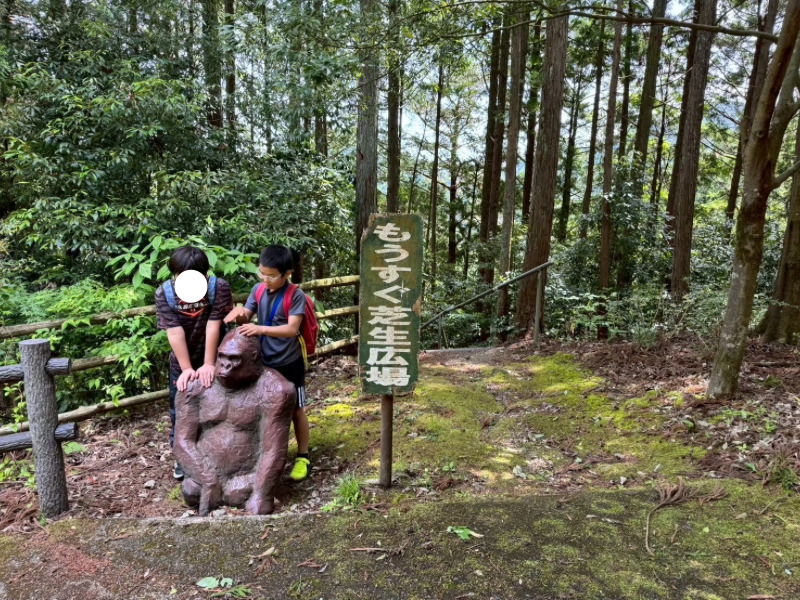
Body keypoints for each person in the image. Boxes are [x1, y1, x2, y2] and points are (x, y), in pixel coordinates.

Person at [173, 330, 296, 515]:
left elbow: (273, 449)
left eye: (234, 359)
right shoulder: (195, 386)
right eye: (221, 357)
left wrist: (262, 494)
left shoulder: (276, 390)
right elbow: (182, 441)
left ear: (253, 357)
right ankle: (212, 487)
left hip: (245, 477)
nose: (225, 365)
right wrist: (208, 479)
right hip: (205, 475)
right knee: (191, 491)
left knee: (238, 495)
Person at [224, 245, 311, 482]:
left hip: (289, 362)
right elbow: (248, 317)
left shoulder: (295, 296)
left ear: (287, 274)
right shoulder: (258, 289)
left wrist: (260, 328)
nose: (265, 279)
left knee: (296, 408)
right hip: (264, 362)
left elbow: (292, 329)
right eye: (261, 273)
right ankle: (263, 456)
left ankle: (303, 456)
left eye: (271, 275)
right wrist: (239, 312)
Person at [155, 245, 233, 480]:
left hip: (218, 358)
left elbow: (215, 323)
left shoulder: (218, 288)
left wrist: (209, 364)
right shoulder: (165, 293)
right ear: (174, 274)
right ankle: (183, 459)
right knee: (180, 409)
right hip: (182, 360)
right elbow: (174, 331)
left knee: (221, 404)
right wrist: (187, 369)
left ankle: (218, 454)